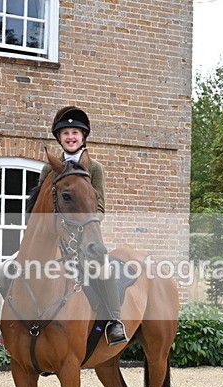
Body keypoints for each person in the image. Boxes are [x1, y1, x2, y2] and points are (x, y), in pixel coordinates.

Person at [40, 106, 128, 346]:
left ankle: (114, 321)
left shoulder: (94, 167)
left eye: (75, 132)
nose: (70, 137)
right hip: (55, 236)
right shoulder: (49, 168)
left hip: (86, 235)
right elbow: (40, 205)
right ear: (59, 137)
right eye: (66, 132)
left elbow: (99, 207)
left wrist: (88, 224)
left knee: (104, 267)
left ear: (83, 137)